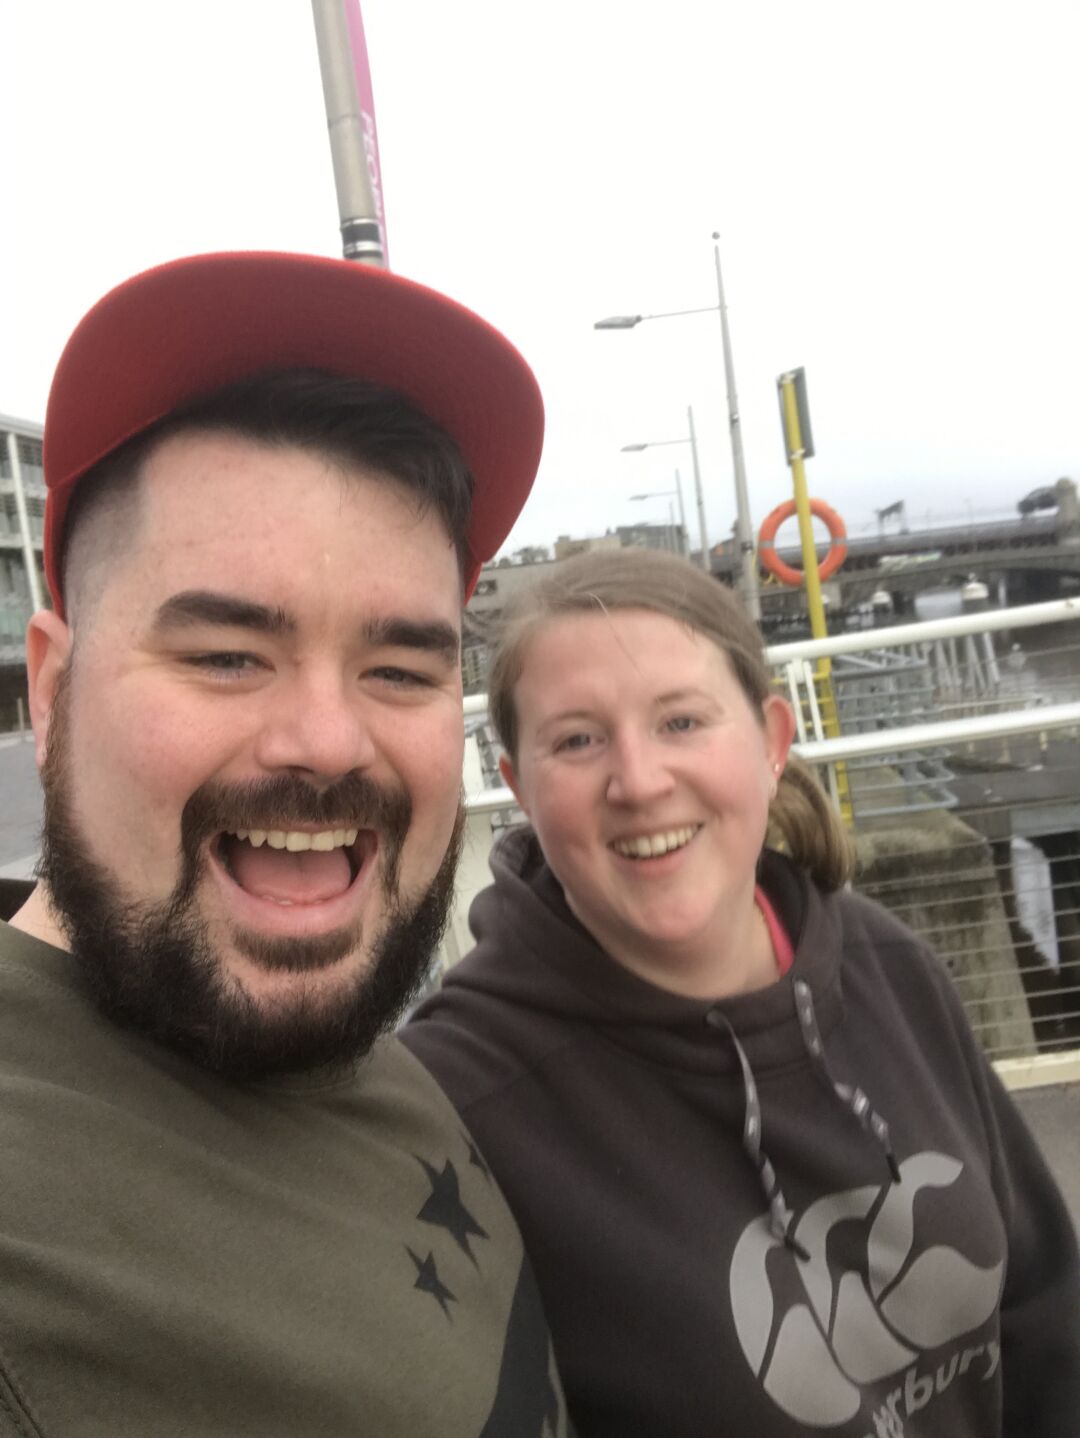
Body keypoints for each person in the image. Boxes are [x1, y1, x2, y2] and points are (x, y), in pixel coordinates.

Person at [0, 251, 571, 1437]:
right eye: (226, 656)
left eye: (399, 669)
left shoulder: (355, 1036)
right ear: (50, 694)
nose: (327, 740)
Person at [403, 547, 1080, 1438]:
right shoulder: (459, 1100)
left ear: (770, 741)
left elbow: (1045, 1315)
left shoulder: (889, 966)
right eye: (577, 740)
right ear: (519, 786)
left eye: (681, 721)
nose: (639, 781)